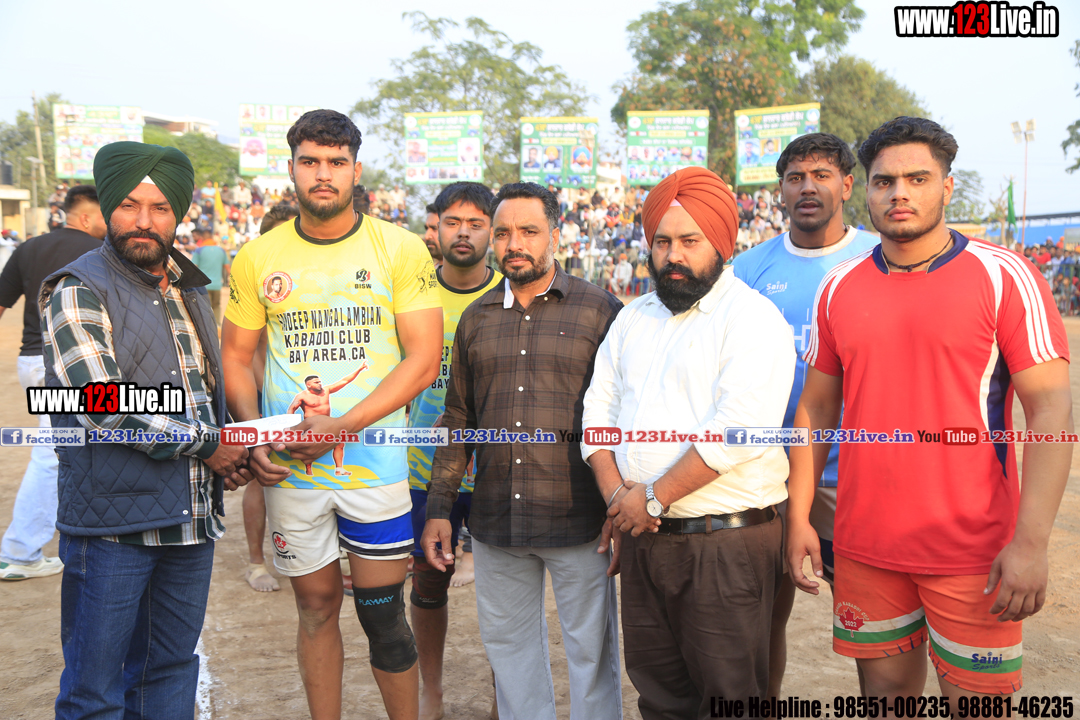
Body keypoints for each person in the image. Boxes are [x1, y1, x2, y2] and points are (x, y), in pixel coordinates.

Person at [786, 117, 1073, 700]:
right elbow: (815, 407)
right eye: (884, 181)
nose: (899, 194)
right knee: (884, 702)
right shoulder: (838, 286)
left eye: (917, 179)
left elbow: (1051, 414)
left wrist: (1031, 543)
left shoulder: (1005, 276)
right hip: (866, 546)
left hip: (973, 551)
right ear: (866, 190)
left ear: (947, 186)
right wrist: (798, 518)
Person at [222, 109, 441, 720]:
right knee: (315, 608)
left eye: (336, 163)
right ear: (292, 168)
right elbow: (235, 358)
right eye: (311, 161)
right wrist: (253, 434)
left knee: (384, 616)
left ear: (356, 170)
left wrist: (341, 427)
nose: (323, 174)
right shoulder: (257, 256)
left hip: (374, 468)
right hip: (290, 472)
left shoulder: (400, 248)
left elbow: (423, 361)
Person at [40, 142, 249, 718]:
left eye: (159, 208)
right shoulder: (78, 288)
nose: (143, 221)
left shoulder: (188, 288)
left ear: (178, 214)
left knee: (171, 670)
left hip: (190, 521)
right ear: (108, 208)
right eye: (129, 205)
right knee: (95, 693)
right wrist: (210, 444)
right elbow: (99, 401)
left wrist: (239, 446)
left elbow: (203, 394)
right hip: (113, 527)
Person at [583, 167, 794, 716]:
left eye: (689, 241)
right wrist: (619, 499)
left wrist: (651, 498)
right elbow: (597, 412)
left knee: (730, 698)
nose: (673, 256)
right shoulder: (633, 317)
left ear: (722, 243)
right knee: (659, 694)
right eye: (662, 242)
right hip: (644, 537)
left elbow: (738, 431)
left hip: (723, 544)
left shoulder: (752, 318)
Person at [421, 182, 624, 720]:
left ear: (555, 235)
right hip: (497, 521)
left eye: (529, 231)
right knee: (509, 653)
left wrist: (619, 502)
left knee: (592, 653)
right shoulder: (476, 318)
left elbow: (621, 415)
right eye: (504, 232)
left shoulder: (600, 311)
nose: (515, 244)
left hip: (581, 518)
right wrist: (440, 508)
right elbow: (458, 419)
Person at [731, 133, 880, 696]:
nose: (808, 187)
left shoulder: (879, 256)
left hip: (852, 473)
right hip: (766, 472)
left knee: (869, 625)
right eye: (795, 178)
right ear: (781, 191)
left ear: (847, 185)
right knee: (763, 619)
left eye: (821, 175)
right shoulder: (747, 269)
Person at [406, 182, 502, 720]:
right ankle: (432, 692)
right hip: (424, 471)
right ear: (436, 228)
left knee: (505, 592)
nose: (463, 233)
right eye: (452, 222)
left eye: (475, 223)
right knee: (427, 583)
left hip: (495, 471)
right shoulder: (412, 293)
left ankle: (504, 697)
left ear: (492, 230)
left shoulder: (510, 292)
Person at [0, 185, 106, 581]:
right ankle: (20, 551)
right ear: (85, 216)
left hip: (32, 360)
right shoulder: (99, 251)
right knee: (52, 452)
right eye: (104, 215)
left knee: (79, 444)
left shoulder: (28, 248)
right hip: (66, 365)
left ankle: (76, 534)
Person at [242, 203, 300, 594]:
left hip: (303, 401)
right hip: (265, 398)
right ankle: (256, 562)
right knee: (258, 479)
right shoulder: (258, 281)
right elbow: (246, 355)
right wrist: (264, 408)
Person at [190, 230, 230, 324]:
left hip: (203, 285)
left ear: (202, 238)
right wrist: (230, 280)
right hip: (217, 285)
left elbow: (192, 267)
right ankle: (217, 325)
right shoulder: (221, 250)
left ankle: (207, 327)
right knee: (216, 306)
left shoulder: (199, 250)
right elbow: (228, 268)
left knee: (204, 308)